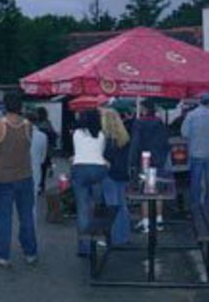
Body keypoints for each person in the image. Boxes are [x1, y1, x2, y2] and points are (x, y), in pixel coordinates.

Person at [0, 91, 38, 267]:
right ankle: (30, 252)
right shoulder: (28, 125)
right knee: (26, 216)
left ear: (5, 106)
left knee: (4, 218)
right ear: (20, 106)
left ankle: (3, 255)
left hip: (3, 179)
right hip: (25, 176)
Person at [129, 99, 170, 233]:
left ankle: (146, 222)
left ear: (145, 110)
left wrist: (131, 162)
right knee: (158, 191)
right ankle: (159, 220)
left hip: (144, 160)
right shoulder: (160, 123)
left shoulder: (139, 123)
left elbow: (135, 143)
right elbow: (166, 143)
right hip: (159, 161)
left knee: (145, 192)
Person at [71, 109, 108, 257]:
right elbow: (102, 153)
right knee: (97, 205)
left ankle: (84, 247)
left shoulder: (77, 133)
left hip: (80, 169)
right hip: (99, 169)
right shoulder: (102, 134)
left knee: (82, 208)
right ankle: (99, 237)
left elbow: (77, 151)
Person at [101, 108, 131, 245]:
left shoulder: (107, 140)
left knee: (111, 206)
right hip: (122, 174)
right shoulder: (124, 137)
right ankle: (123, 236)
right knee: (122, 205)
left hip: (110, 175)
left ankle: (113, 238)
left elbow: (106, 159)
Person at [181, 93, 209, 217]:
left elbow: (184, 133)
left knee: (195, 181)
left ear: (200, 102)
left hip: (195, 152)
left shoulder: (191, 115)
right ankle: (207, 205)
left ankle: (195, 206)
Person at [27, 112, 48, 221]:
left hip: (18, 171)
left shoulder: (19, 135)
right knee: (32, 204)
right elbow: (43, 158)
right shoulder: (43, 136)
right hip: (35, 171)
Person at [37, 107, 57, 192]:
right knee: (43, 168)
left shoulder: (37, 125)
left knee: (38, 167)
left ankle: (38, 183)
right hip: (47, 150)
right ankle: (42, 184)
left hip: (38, 148)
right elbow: (54, 136)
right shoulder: (48, 124)